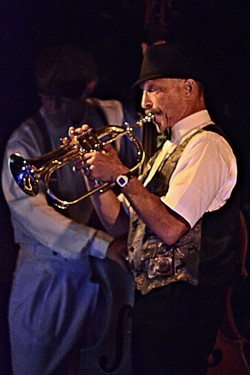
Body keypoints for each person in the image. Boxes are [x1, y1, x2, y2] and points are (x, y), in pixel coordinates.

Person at [70, 41, 241, 375]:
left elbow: (171, 228)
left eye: (154, 90)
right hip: (155, 305)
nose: (145, 103)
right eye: (144, 92)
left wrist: (120, 174)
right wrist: (93, 172)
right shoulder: (167, 147)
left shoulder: (207, 146)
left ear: (189, 88)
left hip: (183, 307)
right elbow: (120, 225)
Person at [1, 43, 140, 375]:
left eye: (62, 98)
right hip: (47, 277)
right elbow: (36, 217)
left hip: (104, 276)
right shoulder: (24, 142)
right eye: (44, 96)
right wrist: (105, 245)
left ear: (88, 88)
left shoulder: (112, 115)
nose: (52, 106)